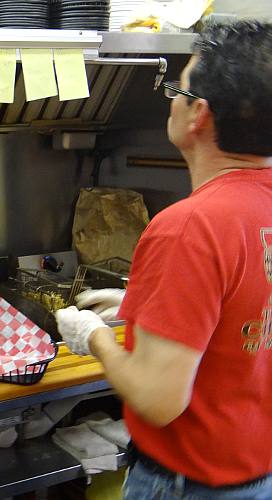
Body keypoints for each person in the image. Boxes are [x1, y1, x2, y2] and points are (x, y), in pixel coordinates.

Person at [55, 20, 272, 499]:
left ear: (199, 114)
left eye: (176, 88)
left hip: (187, 484)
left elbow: (158, 400)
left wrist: (94, 339)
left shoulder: (189, 226)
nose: (169, 99)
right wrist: (151, 304)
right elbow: (245, 312)